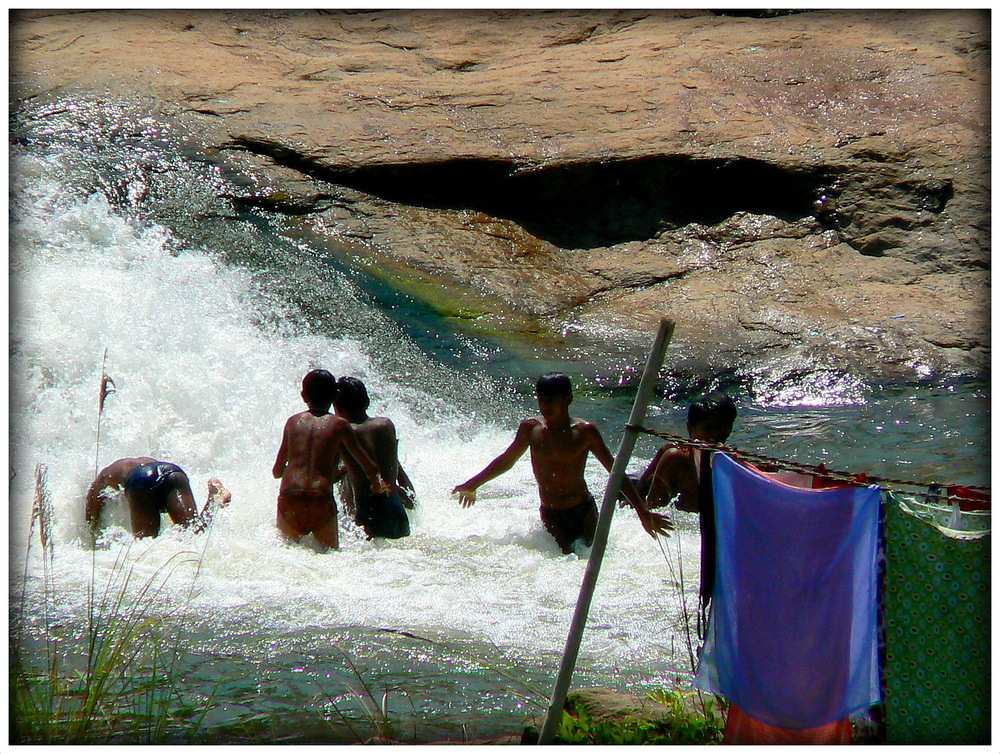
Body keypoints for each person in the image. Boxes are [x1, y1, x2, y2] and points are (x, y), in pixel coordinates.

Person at [453, 372, 673, 554]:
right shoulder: (531, 429)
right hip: (550, 512)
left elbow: (615, 473)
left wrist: (643, 513)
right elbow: (506, 461)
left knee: (594, 560)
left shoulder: (585, 432)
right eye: (541, 400)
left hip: (583, 510)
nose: (545, 406)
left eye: (551, 400)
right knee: (561, 562)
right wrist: (473, 484)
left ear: (567, 399)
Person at [272, 369, 388, 552]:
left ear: (303, 396)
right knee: (329, 556)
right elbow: (369, 466)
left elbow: (277, 472)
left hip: (290, 497)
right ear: (335, 396)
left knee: (287, 553)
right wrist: (376, 486)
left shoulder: (292, 422)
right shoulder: (340, 425)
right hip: (320, 499)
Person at [641, 391, 737, 611]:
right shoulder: (677, 458)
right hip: (683, 532)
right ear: (690, 428)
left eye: (722, 428)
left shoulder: (729, 459)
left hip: (705, 530)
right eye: (708, 427)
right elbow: (654, 507)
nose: (715, 434)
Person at [333, 376, 413, 540]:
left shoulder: (344, 431)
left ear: (336, 406)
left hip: (368, 514)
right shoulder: (385, 425)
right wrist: (412, 499)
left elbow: (332, 475)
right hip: (396, 509)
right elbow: (397, 468)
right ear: (367, 401)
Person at [86, 457, 231, 539]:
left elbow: (92, 501)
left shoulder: (106, 476)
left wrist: (90, 530)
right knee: (193, 532)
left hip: (141, 478)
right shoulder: (144, 460)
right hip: (172, 471)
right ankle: (213, 498)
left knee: (145, 543)